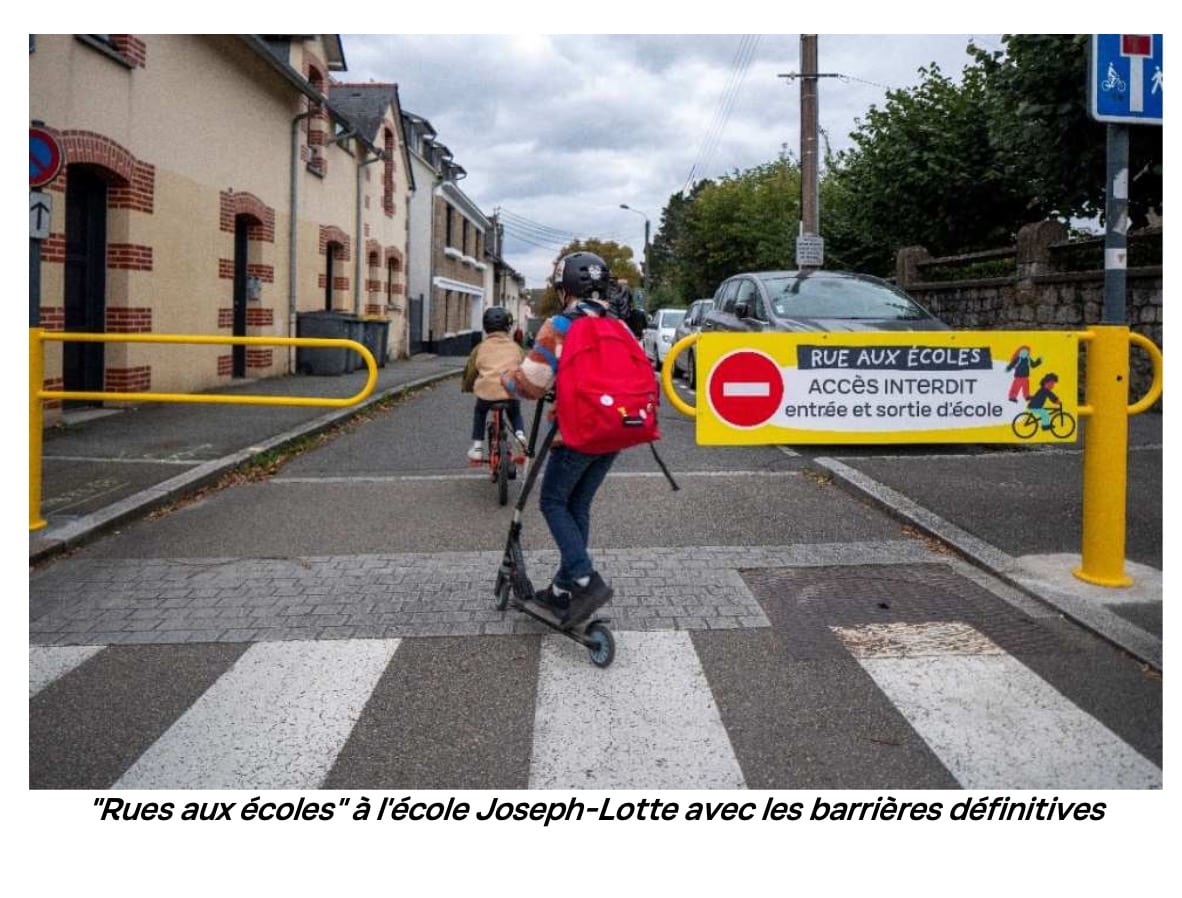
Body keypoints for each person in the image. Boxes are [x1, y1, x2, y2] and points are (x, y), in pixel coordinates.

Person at [500, 251, 617, 627]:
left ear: (565, 289)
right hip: (616, 431)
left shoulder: (561, 325)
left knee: (552, 502)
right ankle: (563, 590)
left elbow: (531, 383)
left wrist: (505, 380)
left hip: (578, 433)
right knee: (577, 506)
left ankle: (584, 579)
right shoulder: (620, 324)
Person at [461, 306, 526, 462]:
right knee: (515, 412)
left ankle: (477, 447)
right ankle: (520, 434)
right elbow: (524, 368)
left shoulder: (479, 348)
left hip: (487, 393)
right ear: (508, 327)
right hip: (509, 391)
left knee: (480, 412)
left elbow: (471, 372)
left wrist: (468, 386)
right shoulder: (516, 348)